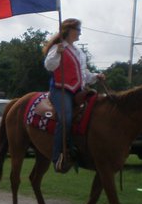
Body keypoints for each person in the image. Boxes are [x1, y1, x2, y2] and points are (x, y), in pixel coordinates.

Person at [43, 18, 104, 173]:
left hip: (78, 90)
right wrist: (57, 53)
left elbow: (83, 74)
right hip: (60, 90)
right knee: (66, 118)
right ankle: (57, 157)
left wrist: (96, 76)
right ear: (70, 30)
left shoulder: (78, 52)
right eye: (78, 30)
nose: (80, 33)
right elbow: (49, 66)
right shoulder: (58, 47)